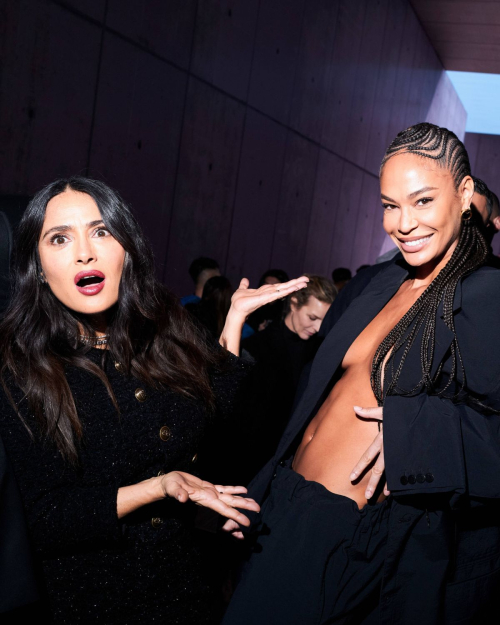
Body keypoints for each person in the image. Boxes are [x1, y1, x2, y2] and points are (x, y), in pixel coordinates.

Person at [222, 123, 500, 624]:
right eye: (390, 205)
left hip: (347, 533)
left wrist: (417, 435)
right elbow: (313, 397)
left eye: (421, 201)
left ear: (463, 194)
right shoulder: (378, 282)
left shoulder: (487, 297)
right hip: (283, 507)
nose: (403, 223)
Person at [0, 176, 308, 624]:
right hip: (89, 602)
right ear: (37, 264)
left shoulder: (160, 330)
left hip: (186, 592)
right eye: (60, 238)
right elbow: (43, 516)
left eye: (101, 231)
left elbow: (207, 421)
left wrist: (234, 323)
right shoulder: (21, 367)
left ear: (127, 248)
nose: (85, 251)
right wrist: (160, 488)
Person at [234, 275, 335, 483]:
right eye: (312, 318)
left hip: (291, 463)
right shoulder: (257, 347)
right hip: (250, 461)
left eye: (323, 321)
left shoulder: (319, 353)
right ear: (294, 303)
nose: (317, 328)